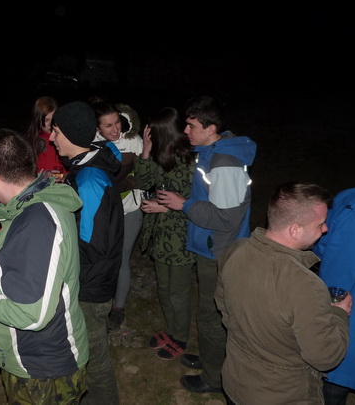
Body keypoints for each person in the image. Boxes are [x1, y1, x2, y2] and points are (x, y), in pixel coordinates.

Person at [0, 128, 89, 404]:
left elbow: (28, 313)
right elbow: (17, 265)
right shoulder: (27, 208)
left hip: (42, 368)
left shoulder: (36, 222)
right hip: (30, 358)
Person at [215, 182, 352, 404]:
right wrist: (339, 314)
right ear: (295, 230)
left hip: (236, 382)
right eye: (320, 224)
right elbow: (326, 357)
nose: (325, 229)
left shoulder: (237, 250)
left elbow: (223, 306)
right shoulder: (306, 285)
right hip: (282, 395)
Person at [160, 96, 256, 394]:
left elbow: (225, 218)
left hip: (219, 250)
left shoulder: (223, 162)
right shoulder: (211, 152)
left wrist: (184, 204)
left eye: (191, 126)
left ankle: (215, 379)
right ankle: (212, 359)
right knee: (210, 311)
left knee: (211, 316)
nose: (185, 131)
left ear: (211, 129)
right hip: (211, 246)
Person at [50, 101, 124, 405]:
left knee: (94, 355)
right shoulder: (84, 168)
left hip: (90, 284)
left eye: (55, 131)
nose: (51, 138)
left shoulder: (90, 180)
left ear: (70, 133)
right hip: (90, 277)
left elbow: (94, 245)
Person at [135, 107, 195, 360]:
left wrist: (163, 207)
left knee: (178, 293)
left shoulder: (192, 161)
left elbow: (198, 205)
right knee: (163, 288)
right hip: (161, 235)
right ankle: (171, 329)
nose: (149, 134)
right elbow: (142, 182)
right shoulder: (161, 156)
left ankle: (180, 336)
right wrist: (146, 151)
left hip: (181, 237)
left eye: (153, 132)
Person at [91, 99, 144, 330]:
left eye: (117, 123)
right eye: (108, 126)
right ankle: (99, 302)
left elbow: (145, 173)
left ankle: (118, 308)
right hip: (103, 214)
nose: (115, 130)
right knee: (102, 259)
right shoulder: (91, 144)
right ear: (97, 128)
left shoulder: (133, 141)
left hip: (130, 210)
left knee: (122, 259)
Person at [313, 188, 355, 404]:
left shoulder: (350, 200)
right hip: (343, 319)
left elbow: (319, 245)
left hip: (338, 318)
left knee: (332, 384)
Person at [25, 96, 66, 178]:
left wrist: (66, 176)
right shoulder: (33, 141)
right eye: (46, 120)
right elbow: (26, 172)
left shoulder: (66, 137)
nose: (50, 124)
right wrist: (42, 174)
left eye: (53, 119)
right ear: (38, 120)